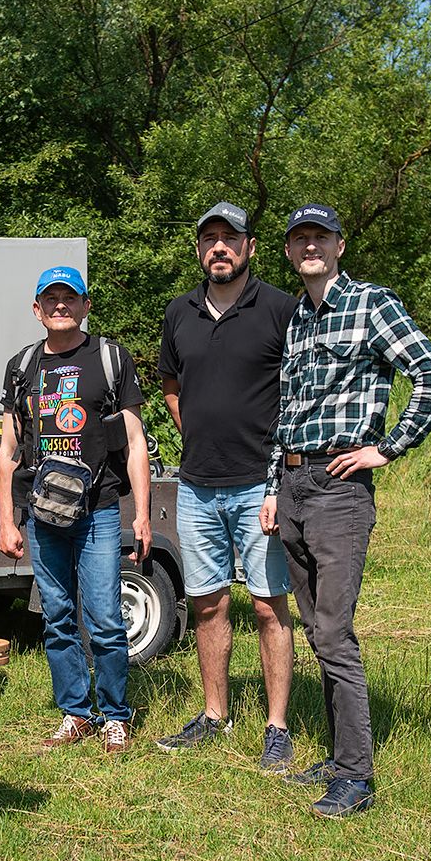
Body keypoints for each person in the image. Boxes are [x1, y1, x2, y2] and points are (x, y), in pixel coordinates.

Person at [261, 203, 431, 818]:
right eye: (299, 239)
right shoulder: (297, 319)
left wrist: (387, 448)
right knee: (316, 628)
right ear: (288, 251)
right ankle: (338, 755)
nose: (309, 246)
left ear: (339, 245)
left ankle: (356, 776)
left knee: (334, 632)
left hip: (339, 489)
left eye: (320, 237)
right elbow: (288, 411)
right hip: (294, 484)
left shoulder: (371, 304)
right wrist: (272, 486)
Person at [153, 202, 299, 771]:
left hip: (261, 485)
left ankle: (277, 726)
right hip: (196, 485)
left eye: (230, 238)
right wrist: (196, 433)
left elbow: (299, 390)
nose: (219, 247)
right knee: (208, 602)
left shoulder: (280, 309)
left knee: (267, 605)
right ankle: (215, 714)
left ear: (249, 247)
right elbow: (171, 384)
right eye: (209, 238)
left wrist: (280, 474)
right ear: (198, 249)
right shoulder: (179, 311)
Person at [0, 266, 152, 754]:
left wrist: (142, 514)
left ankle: (115, 717)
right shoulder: (22, 366)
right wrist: (6, 519)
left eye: (70, 298)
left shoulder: (110, 358)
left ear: (86, 306)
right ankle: (76, 714)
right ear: (36, 309)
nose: (60, 306)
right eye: (51, 298)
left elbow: (135, 442)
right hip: (42, 513)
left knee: (104, 617)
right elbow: (8, 450)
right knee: (57, 617)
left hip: (99, 510)